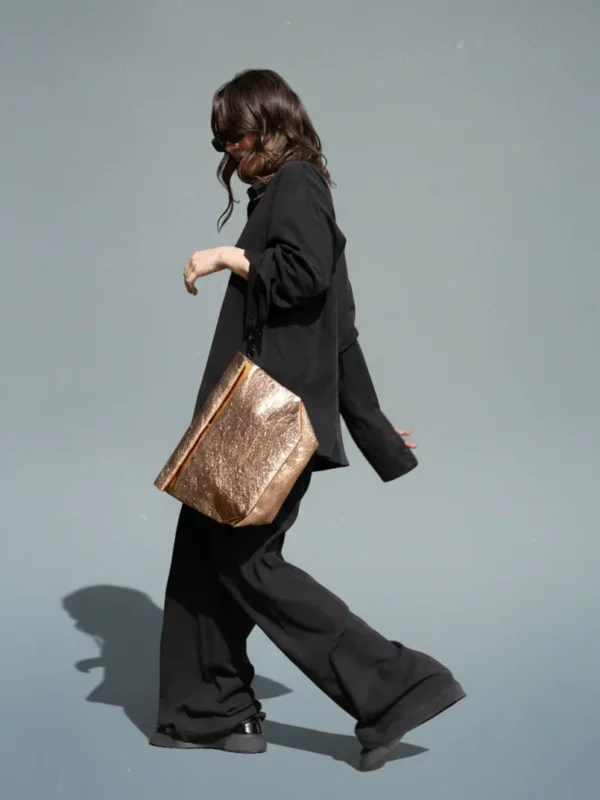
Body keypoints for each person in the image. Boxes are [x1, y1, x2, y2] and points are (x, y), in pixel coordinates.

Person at [150, 69, 465, 772]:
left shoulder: (297, 184)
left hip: (266, 416)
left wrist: (227, 255)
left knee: (247, 563)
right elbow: (338, 332)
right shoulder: (288, 191)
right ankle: (211, 710)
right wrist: (372, 428)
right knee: (203, 557)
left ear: (269, 123)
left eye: (234, 136)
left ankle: (397, 687)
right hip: (257, 415)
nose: (228, 152)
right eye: (220, 142)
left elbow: (303, 277)